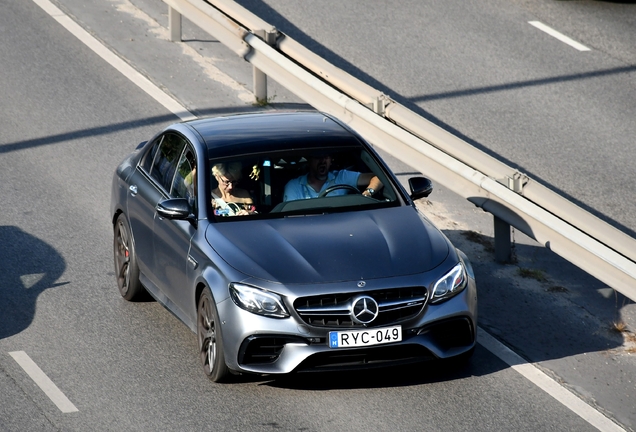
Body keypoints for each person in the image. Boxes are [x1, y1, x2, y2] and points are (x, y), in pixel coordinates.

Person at [283, 152, 383, 201]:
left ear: (331, 161)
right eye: (318, 157)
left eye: (326, 157)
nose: (322, 161)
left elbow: (379, 177)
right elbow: (291, 218)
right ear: (309, 161)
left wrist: (367, 193)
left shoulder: (341, 177)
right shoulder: (294, 186)